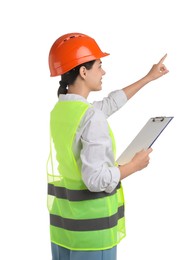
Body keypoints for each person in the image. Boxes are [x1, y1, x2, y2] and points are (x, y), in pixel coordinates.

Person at [47, 32, 169, 260]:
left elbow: (110, 103)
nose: (103, 72)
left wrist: (148, 78)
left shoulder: (61, 111)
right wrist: (134, 165)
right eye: (99, 66)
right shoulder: (90, 117)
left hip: (64, 227)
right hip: (92, 234)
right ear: (83, 72)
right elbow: (96, 180)